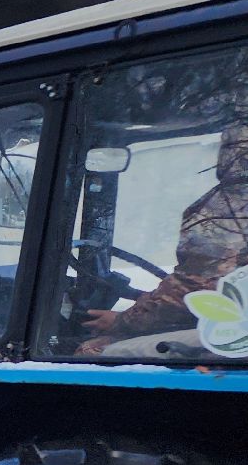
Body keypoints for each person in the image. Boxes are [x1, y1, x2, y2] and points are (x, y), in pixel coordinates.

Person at [81, 120, 248, 352]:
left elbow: (194, 290)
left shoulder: (230, 208)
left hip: (239, 335)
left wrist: (122, 320)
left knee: (95, 351)